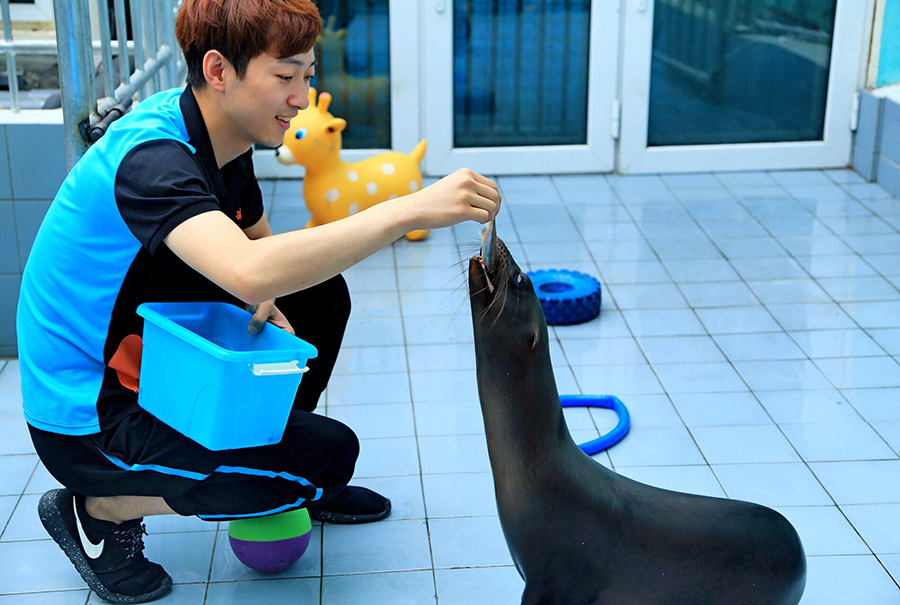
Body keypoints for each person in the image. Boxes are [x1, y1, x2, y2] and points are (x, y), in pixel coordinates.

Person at [15, 0, 500, 602]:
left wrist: (269, 293)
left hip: (151, 355)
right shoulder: (153, 160)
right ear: (219, 70)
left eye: (308, 74)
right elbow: (247, 270)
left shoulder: (224, 138)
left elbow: (264, 254)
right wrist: (407, 209)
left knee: (319, 296)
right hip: (88, 417)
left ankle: (285, 469)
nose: (302, 96)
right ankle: (98, 508)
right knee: (329, 455)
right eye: (286, 76)